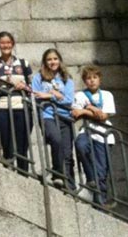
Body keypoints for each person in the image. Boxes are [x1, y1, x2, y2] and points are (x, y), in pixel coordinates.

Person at [31, 48, 75, 189]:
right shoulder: (39, 78)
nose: (53, 62)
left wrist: (51, 96)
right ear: (45, 62)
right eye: (49, 59)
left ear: (60, 60)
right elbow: (36, 96)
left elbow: (68, 100)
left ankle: (70, 186)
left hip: (64, 117)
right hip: (47, 115)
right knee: (56, 140)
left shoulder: (66, 78)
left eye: (55, 59)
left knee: (67, 153)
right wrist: (57, 97)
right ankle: (57, 173)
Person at [72, 65, 116, 205]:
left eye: (95, 78)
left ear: (100, 79)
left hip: (103, 135)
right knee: (80, 145)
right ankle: (90, 177)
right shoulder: (80, 95)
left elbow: (103, 116)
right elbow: (75, 113)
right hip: (88, 131)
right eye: (88, 78)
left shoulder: (107, 95)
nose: (92, 81)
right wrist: (91, 111)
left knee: (102, 171)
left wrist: (87, 109)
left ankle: (100, 202)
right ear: (85, 81)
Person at [0, 31, 33, 172]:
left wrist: (25, 86)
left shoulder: (23, 63)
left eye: (8, 42)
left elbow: (33, 86)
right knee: (6, 143)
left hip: (22, 106)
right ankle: (8, 172)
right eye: (2, 43)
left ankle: (23, 174)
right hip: (2, 106)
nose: (6, 45)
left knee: (22, 145)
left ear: (13, 44)